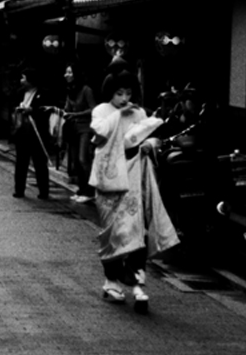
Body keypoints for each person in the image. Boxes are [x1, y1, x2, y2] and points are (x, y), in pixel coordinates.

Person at [89, 69, 180, 313]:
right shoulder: (101, 111)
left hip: (135, 176)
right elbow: (99, 135)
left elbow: (152, 137)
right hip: (109, 181)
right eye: (119, 93)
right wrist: (120, 115)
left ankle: (138, 283)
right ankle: (112, 280)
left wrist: (150, 143)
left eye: (128, 93)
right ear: (110, 93)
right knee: (113, 232)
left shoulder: (140, 111)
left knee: (138, 229)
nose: (124, 98)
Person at [12, 67, 50, 199]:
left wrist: (32, 110)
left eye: (23, 78)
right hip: (22, 130)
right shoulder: (19, 93)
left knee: (39, 163)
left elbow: (46, 111)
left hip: (37, 132)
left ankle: (44, 191)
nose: (21, 81)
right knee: (21, 162)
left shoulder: (43, 94)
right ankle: (19, 190)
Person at [63, 62, 96, 203]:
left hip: (86, 128)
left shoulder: (86, 90)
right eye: (66, 72)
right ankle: (81, 189)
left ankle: (90, 191)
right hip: (74, 128)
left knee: (83, 159)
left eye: (70, 72)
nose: (67, 75)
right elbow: (67, 107)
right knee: (76, 161)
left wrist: (76, 114)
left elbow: (93, 108)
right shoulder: (71, 90)